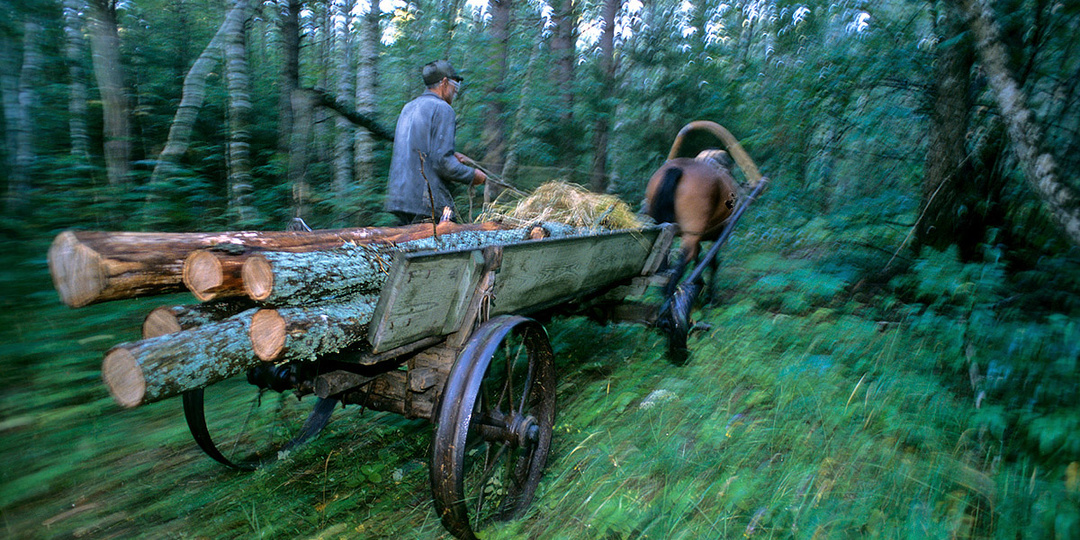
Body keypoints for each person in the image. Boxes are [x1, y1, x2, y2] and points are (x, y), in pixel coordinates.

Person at [385, 60, 487, 225]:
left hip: (399, 201)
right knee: (450, 239)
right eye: (455, 85)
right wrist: (472, 175)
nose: (455, 91)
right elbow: (442, 163)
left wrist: (453, 156)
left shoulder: (408, 108)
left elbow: (419, 152)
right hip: (428, 203)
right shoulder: (443, 108)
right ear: (444, 82)